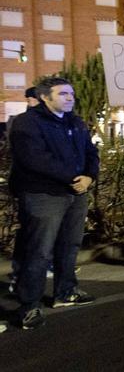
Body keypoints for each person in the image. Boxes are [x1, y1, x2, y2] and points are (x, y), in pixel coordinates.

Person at [9, 77, 99, 329]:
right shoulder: (27, 123)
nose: (70, 98)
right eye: (63, 94)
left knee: (69, 245)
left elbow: (91, 152)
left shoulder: (76, 122)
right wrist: (73, 178)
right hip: (44, 195)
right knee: (39, 250)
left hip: (76, 194)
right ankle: (29, 306)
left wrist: (89, 176)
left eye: (71, 93)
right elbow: (35, 159)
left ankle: (65, 291)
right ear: (45, 97)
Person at [7, 87, 42, 292]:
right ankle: (19, 275)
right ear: (31, 100)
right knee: (29, 231)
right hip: (28, 185)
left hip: (46, 188)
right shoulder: (21, 122)